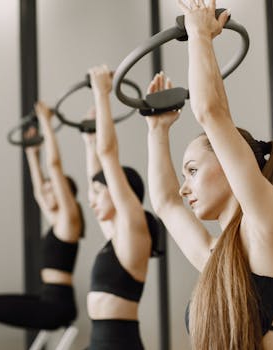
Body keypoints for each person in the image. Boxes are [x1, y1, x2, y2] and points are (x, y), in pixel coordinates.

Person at [145, 1, 273, 349]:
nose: (185, 188)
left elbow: (212, 113)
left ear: (232, 166)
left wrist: (200, 35)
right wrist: (158, 130)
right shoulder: (218, 256)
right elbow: (166, 202)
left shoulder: (269, 230)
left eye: (193, 171)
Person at [0, 101, 84, 350]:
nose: (45, 192)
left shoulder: (69, 221)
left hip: (57, 307)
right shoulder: (58, 221)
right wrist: (32, 153)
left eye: (51, 189)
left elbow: (54, 166)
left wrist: (46, 122)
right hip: (49, 301)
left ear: (64, 194)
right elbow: (37, 191)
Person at [81, 65, 160, 350]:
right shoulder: (116, 235)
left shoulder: (132, 229)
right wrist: (89, 143)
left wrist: (103, 94)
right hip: (98, 340)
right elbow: (97, 175)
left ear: (120, 194)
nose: (91, 199)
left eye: (101, 193)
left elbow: (109, 155)